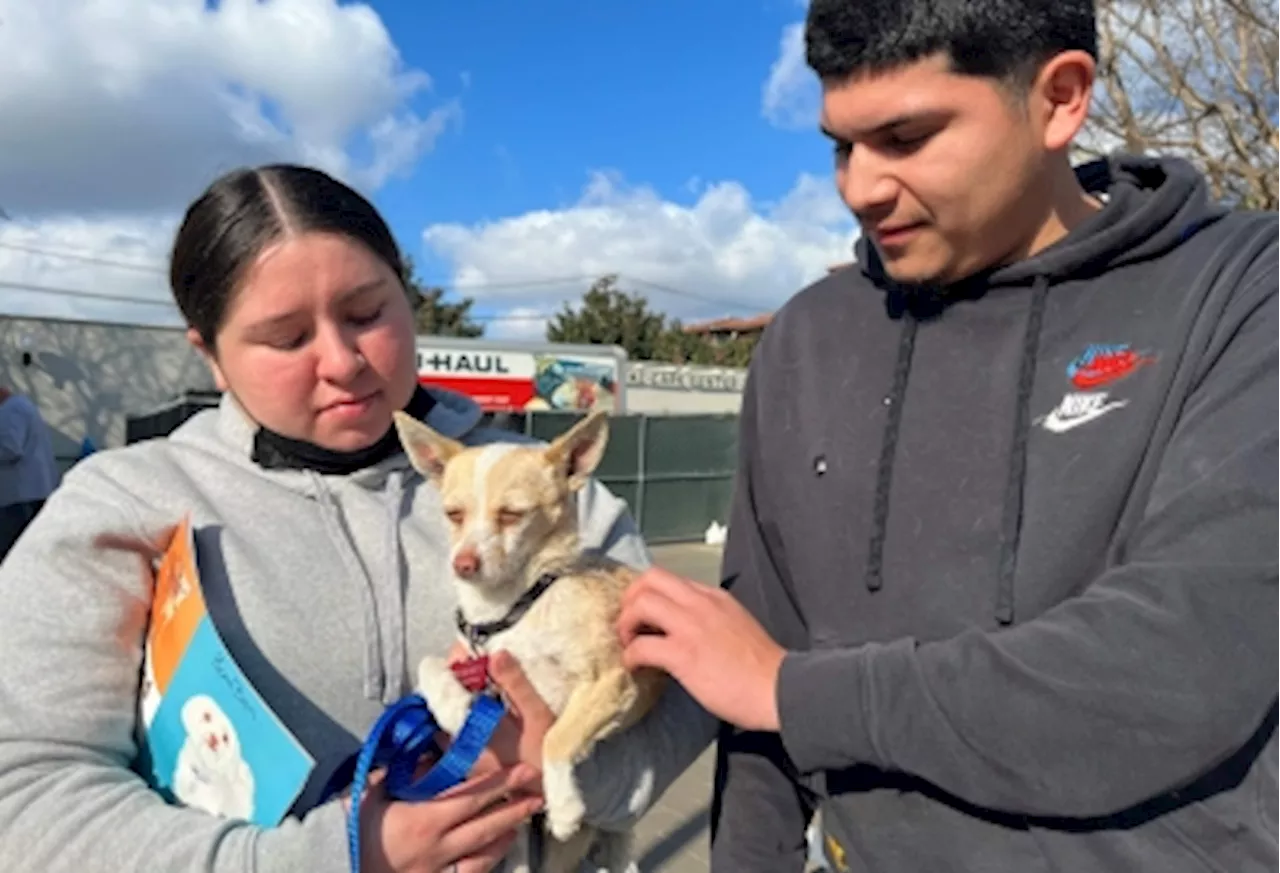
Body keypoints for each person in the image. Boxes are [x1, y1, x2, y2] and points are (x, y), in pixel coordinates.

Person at [616, 1, 1280, 871]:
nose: (859, 186)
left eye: (906, 137)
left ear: (1060, 98)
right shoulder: (810, 338)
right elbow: (755, 662)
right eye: (840, 146)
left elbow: (1181, 664)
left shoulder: (1239, 289)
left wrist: (794, 689)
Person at [0, 164, 713, 873]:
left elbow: (676, 697)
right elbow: (26, 794)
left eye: (368, 313)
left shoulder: (551, 490)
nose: (342, 361)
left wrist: (569, 772)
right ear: (210, 354)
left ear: (407, 296)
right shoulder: (121, 505)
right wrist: (338, 855)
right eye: (285, 337)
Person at [0, 383, 59, 559]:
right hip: (31, 493)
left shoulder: (11, 410)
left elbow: (9, 449)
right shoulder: (21, 407)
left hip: (19, 498)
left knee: (13, 554)